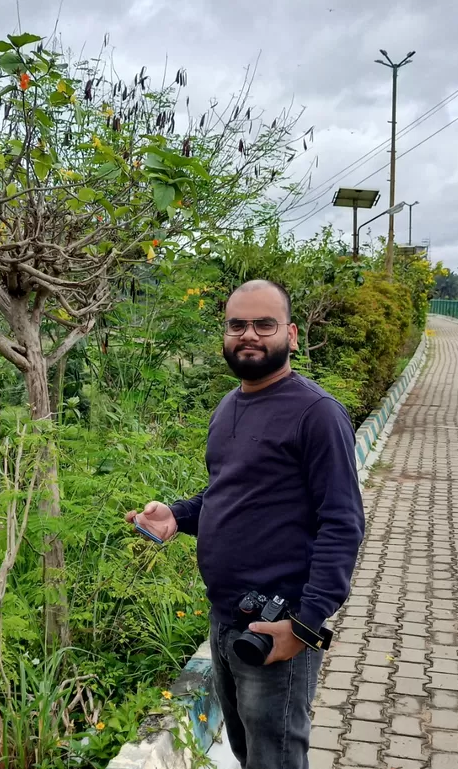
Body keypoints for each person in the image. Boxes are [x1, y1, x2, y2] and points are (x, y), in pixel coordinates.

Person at [126, 279, 365, 769]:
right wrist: (176, 515)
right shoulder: (230, 405)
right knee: (245, 750)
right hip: (224, 618)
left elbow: (342, 523)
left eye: (264, 324)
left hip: (277, 626)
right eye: (238, 325)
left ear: (292, 335)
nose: (249, 335)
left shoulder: (317, 414)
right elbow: (227, 494)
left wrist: (305, 623)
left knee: (274, 755)